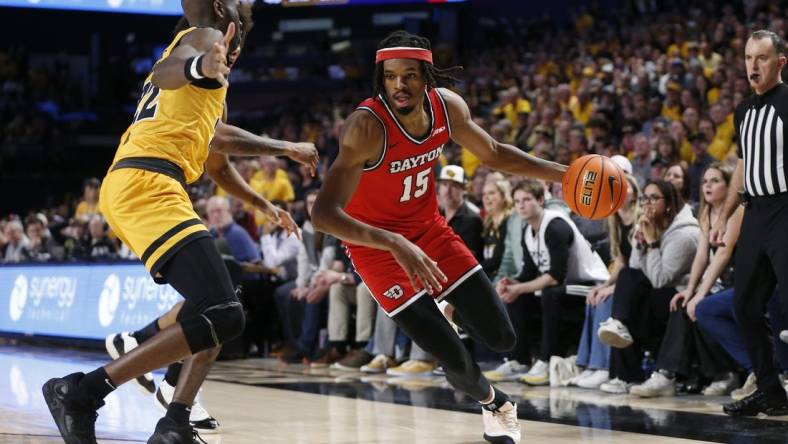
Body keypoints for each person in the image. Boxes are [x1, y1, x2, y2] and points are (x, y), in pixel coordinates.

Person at [42, 3, 319, 442]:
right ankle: (82, 392)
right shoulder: (204, 38)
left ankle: (174, 421)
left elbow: (218, 158)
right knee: (224, 312)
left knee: (218, 299)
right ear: (223, 16)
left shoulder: (207, 92)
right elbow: (167, 70)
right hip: (146, 181)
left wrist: (266, 198)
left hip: (151, 182)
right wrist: (197, 64)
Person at [312, 30, 567, 443]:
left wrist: (564, 174)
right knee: (454, 359)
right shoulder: (365, 126)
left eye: (409, 75)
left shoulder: (447, 107)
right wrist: (394, 242)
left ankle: (448, 304)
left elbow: (495, 153)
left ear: (427, 76)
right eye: (391, 76)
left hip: (429, 231)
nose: (399, 85)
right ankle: (495, 404)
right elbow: (323, 214)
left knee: (503, 337)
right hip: (378, 249)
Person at [710, 30, 788, 417]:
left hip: (786, 208)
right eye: (748, 58)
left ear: (780, 62)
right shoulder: (742, 110)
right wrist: (724, 217)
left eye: (761, 58)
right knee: (745, 305)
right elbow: (742, 166)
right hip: (755, 213)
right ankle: (770, 390)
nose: (752, 66)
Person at [496, 180, 609, 386]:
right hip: (566, 286)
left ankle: (547, 360)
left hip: (592, 285)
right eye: (517, 201)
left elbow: (556, 275)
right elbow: (529, 272)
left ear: (541, 200)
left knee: (551, 292)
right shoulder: (528, 231)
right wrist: (511, 283)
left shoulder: (555, 225)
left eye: (527, 200)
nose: (521, 205)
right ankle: (519, 360)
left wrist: (519, 288)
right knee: (517, 297)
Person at [571, 174, 641, 389]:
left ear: (635, 191)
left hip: (641, 280)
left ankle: (602, 367)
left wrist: (614, 289)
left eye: (626, 186)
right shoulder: (616, 221)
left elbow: (638, 264)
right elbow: (620, 261)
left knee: (605, 300)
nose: (621, 190)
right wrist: (606, 285)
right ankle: (589, 365)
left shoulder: (641, 219)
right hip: (627, 279)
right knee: (594, 296)